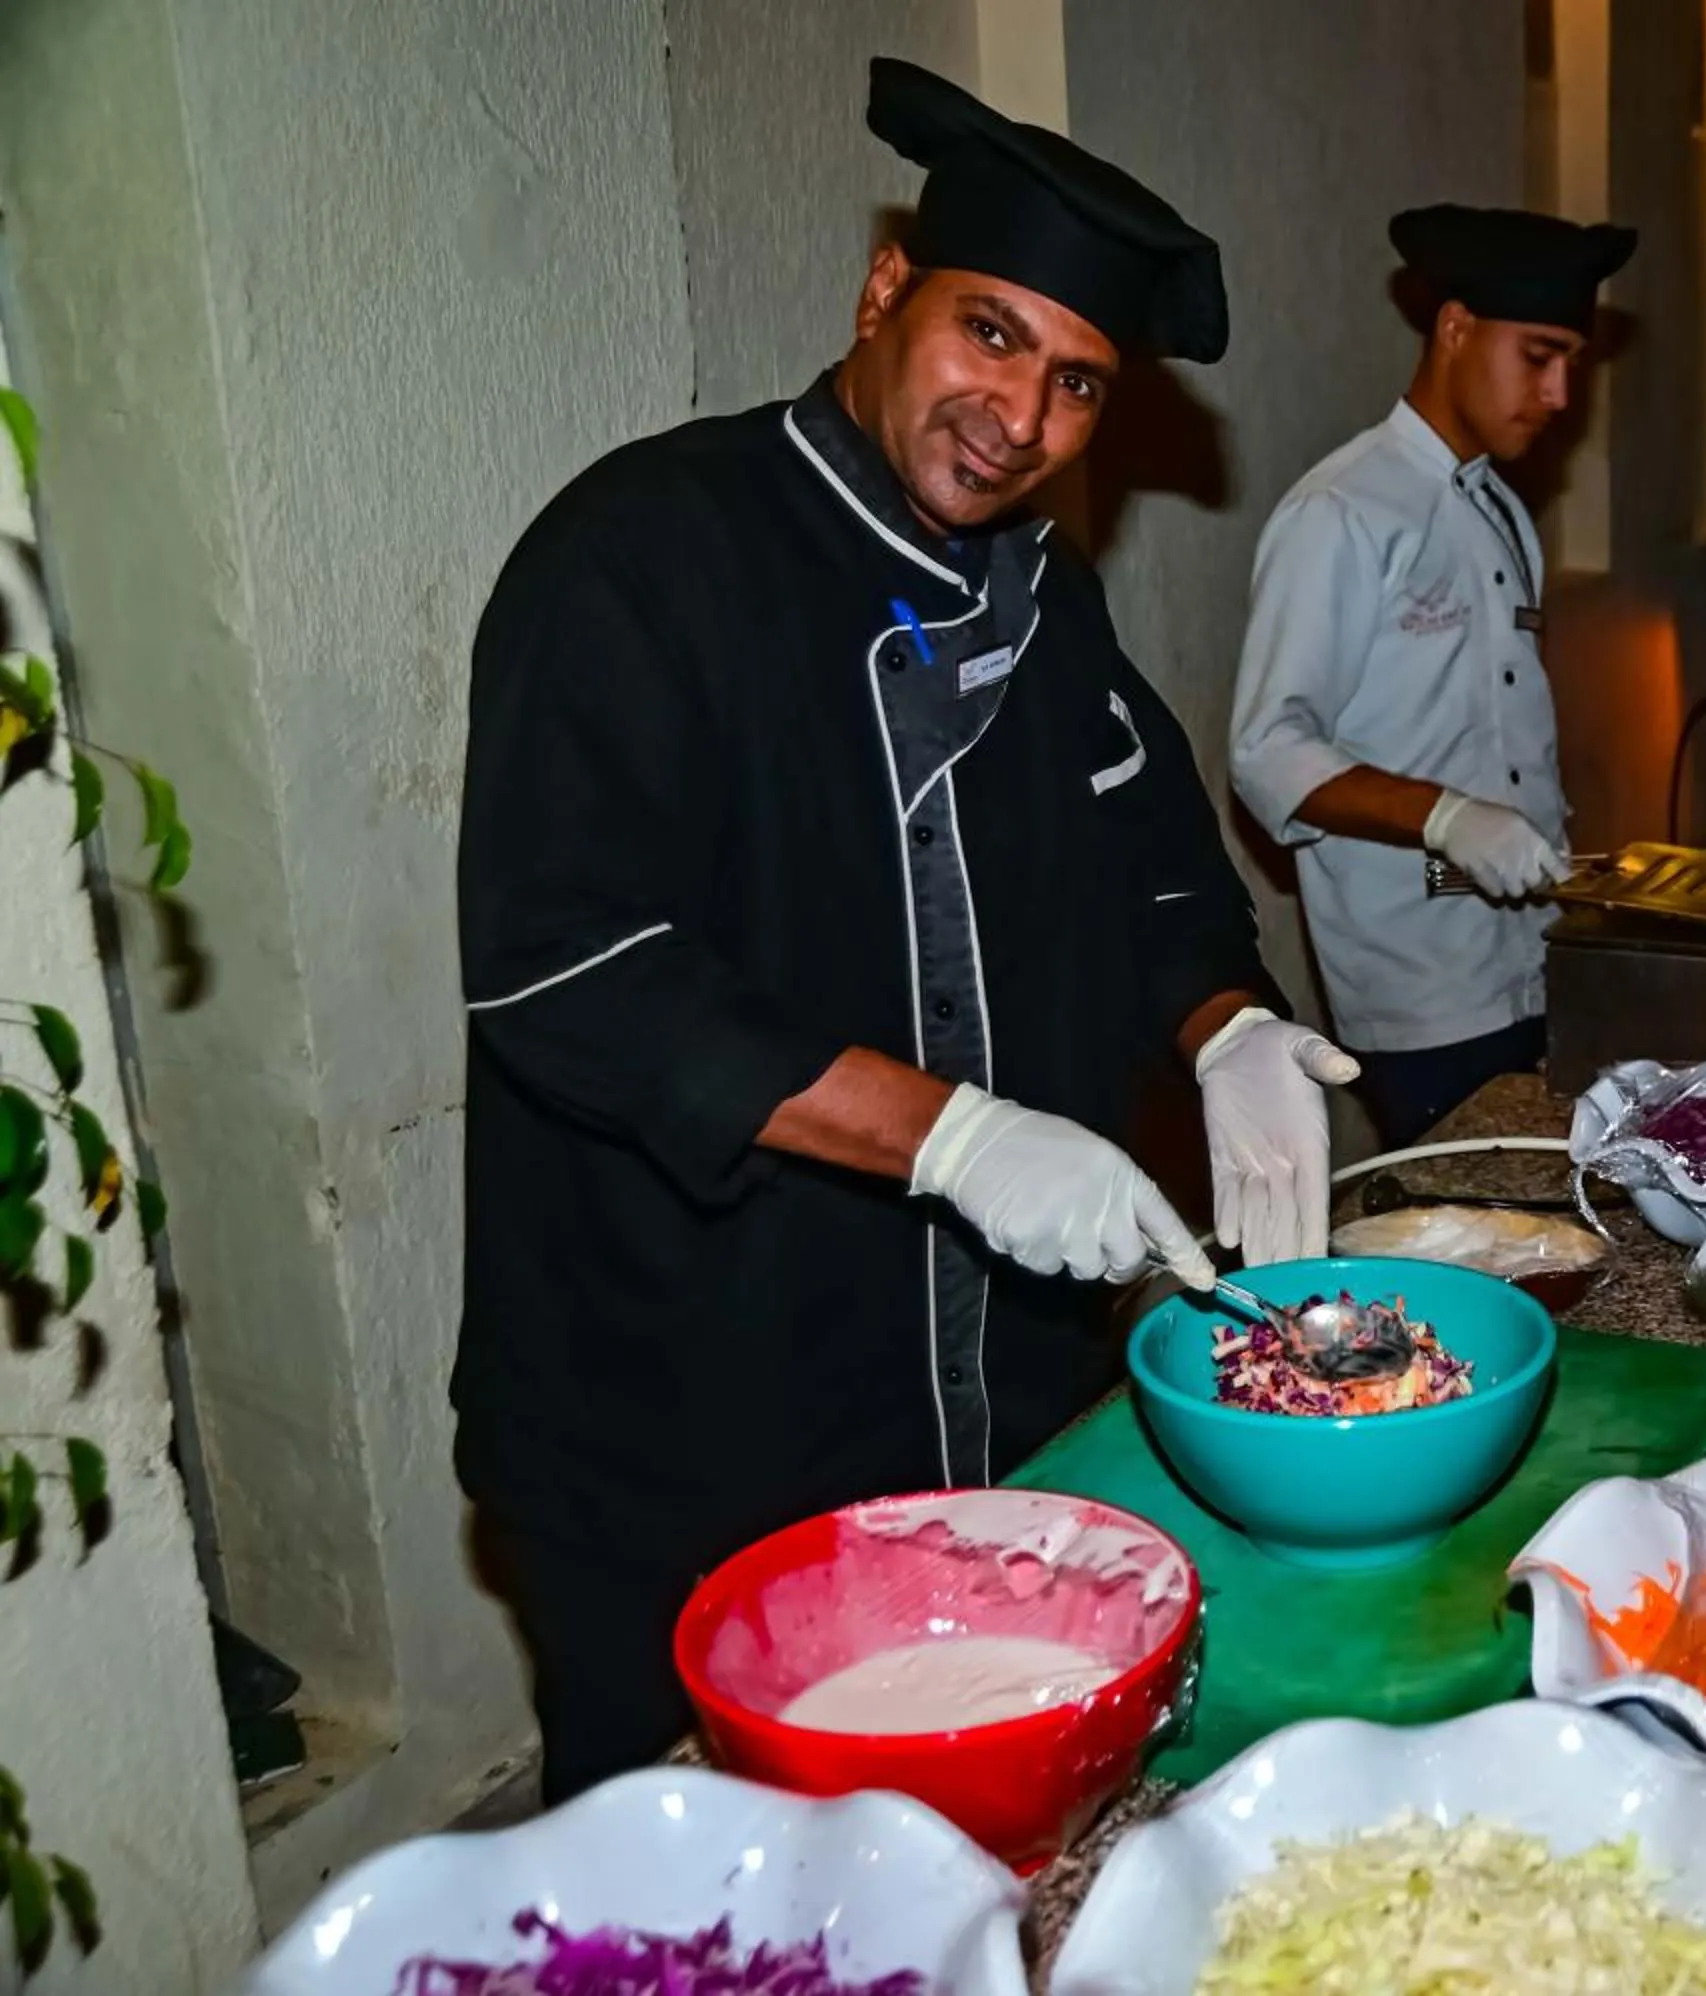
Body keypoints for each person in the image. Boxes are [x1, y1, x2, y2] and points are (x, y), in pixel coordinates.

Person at [452, 59, 1357, 1798]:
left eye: (1076, 382)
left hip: (995, 1392)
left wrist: (1227, 1024)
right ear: (885, 294)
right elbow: (572, 972)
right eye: (987, 335)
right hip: (693, 1411)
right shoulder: (641, 554)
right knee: (705, 1874)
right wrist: (948, 1135)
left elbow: (1159, 861)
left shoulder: (1045, 594)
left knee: (992, 1837)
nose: (1019, 417)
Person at [1228, 205, 1635, 1146]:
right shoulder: (1342, 510)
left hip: (1532, 960)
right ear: (1455, 329)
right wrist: (1448, 818)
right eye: (1539, 356)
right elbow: (1266, 751)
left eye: (1572, 363)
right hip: (1420, 988)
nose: (1560, 393)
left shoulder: (1503, 511)